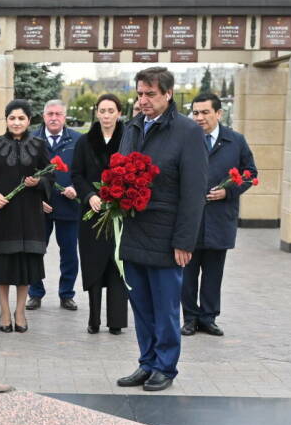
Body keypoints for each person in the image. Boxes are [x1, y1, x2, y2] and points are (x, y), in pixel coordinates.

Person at [115, 67, 207, 392]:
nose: (143, 100)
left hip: (167, 235)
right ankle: (147, 362)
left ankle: (165, 366)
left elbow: (194, 192)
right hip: (135, 229)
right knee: (141, 305)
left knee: (166, 306)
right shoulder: (133, 126)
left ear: (168, 94)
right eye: (140, 93)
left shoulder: (187, 132)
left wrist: (185, 240)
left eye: (150, 94)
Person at [0, 98, 53, 334]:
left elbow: (51, 175)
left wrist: (39, 181)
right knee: (2, 266)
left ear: (29, 120)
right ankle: (4, 311)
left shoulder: (39, 145)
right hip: (2, 216)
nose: (16, 122)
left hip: (29, 216)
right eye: (12, 118)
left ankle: (20, 311)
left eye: (21, 118)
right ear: (6, 120)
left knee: (25, 267)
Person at [183, 92, 256, 338]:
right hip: (190, 220)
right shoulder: (185, 139)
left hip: (218, 219)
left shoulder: (235, 141)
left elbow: (249, 173)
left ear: (218, 113)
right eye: (195, 113)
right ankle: (190, 318)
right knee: (188, 272)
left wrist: (228, 192)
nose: (199, 118)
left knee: (214, 272)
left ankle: (208, 318)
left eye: (205, 112)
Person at [71, 93, 129, 335]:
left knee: (118, 264)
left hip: (120, 213)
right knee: (94, 263)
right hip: (91, 213)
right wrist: (89, 196)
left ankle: (116, 321)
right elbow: (76, 174)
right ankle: (93, 319)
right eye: (102, 111)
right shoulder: (85, 141)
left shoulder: (128, 138)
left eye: (111, 111)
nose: (106, 115)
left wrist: (121, 197)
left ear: (119, 113)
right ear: (97, 113)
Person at [27, 99, 83, 312]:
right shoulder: (32, 139)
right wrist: (36, 199)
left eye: (58, 114)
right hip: (39, 207)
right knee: (35, 251)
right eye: (50, 113)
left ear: (65, 117)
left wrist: (77, 189)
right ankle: (35, 293)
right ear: (43, 116)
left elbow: (84, 171)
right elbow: (24, 173)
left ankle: (67, 294)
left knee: (69, 253)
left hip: (69, 207)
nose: (54, 117)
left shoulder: (78, 140)